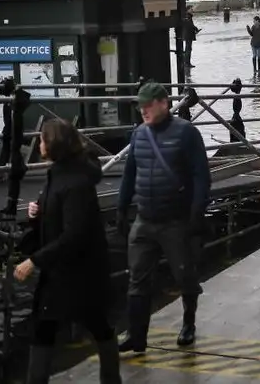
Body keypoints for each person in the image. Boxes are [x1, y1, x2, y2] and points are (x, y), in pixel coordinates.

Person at [17, 120, 120, 384]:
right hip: (61, 271)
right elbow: (54, 216)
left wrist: (34, 260)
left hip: (80, 274)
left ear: (54, 145)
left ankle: (111, 379)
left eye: (42, 139)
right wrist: (36, 214)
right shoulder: (60, 174)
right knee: (46, 328)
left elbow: (75, 233)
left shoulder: (75, 182)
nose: (38, 144)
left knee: (96, 325)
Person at [116, 82, 211, 352]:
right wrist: (122, 209)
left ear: (163, 103)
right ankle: (136, 336)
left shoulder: (186, 133)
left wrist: (196, 214)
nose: (143, 111)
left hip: (176, 220)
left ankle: (188, 323)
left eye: (148, 105)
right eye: (140, 106)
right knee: (137, 278)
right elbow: (129, 173)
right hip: (144, 219)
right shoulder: (139, 134)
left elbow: (201, 176)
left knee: (184, 275)